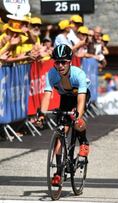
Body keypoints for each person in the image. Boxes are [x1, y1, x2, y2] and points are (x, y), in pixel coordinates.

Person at [36, 44, 91, 186]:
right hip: (66, 98)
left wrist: (78, 115)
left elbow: (81, 98)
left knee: (77, 121)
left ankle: (84, 142)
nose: (60, 66)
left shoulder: (79, 74)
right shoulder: (52, 73)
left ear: (70, 62)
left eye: (63, 62)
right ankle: (58, 171)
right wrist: (42, 114)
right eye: (57, 62)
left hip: (80, 96)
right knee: (62, 130)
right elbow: (47, 95)